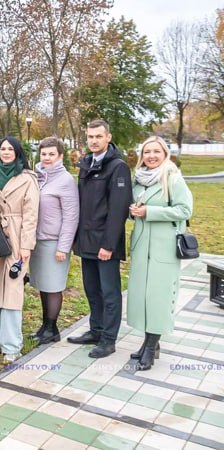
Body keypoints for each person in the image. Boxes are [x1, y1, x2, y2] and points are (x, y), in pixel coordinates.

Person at [67, 119, 132, 358]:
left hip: (105, 243)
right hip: (86, 240)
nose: (94, 140)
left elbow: (119, 208)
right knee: (92, 289)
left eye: (98, 136)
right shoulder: (86, 164)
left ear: (108, 137)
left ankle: (108, 339)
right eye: (90, 136)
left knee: (109, 292)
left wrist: (109, 244)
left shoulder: (118, 167)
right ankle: (95, 330)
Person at [127, 136, 192, 371]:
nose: (151, 156)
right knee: (143, 297)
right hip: (142, 247)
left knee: (158, 298)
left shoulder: (172, 178)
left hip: (164, 249)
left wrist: (149, 211)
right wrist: (133, 212)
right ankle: (149, 343)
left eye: (156, 151)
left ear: (165, 153)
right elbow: (134, 208)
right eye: (147, 152)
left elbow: (184, 210)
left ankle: (151, 346)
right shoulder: (138, 180)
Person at [0, 137, 40, 362]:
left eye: (10, 149)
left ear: (18, 152)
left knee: (12, 288)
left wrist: (27, 245)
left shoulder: (28, 179)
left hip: (18, 237)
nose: (6, 152)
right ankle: (0, 335)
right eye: (2, 149)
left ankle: (12, 345)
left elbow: (31, 215)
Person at [29, 137, 79, 345]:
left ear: (60, 156)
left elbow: (71, 216)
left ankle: (52, 328)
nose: (47, 158)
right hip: (37, 241)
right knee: (43, 285)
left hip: (55, 242)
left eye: (51, 154)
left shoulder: (65, 180)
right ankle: (44, 326)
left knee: (54, 286)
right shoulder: (37, 177)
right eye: (44, 154)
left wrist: (63, 247)